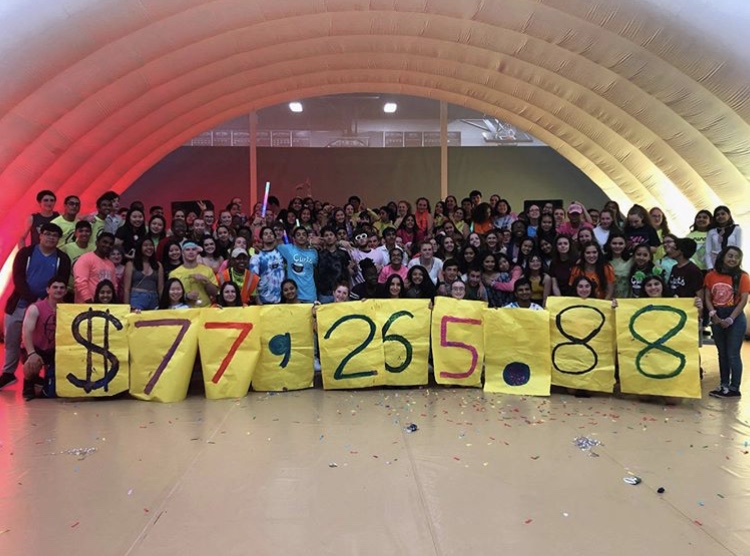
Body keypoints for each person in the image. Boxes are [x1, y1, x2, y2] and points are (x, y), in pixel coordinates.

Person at [704, 246, 749, 398]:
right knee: (722, 353)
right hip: (717, 315)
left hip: (735, 316)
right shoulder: (711, 275)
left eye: (737, 257)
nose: (733, 259)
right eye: (730, 255)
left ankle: (734, 388)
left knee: (733, 354)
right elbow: (707, 296)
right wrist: (713, 314)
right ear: (723, 256)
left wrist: (731, 318)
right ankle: (724, 385)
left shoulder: (742, 276)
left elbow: (743, 300)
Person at [20, 277, 67, 400]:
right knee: (32, 362)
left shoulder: (68, 309)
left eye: (62, 288)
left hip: (55, 350)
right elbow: (26, 332)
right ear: (48, 290)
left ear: (66, 291)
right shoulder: (35, 308)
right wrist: (31, 353)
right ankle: (28, 385)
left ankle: (44, 383)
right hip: (36, 348)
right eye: (55, 287)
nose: (59, 290)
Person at [169, 241, 219, 307]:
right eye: (187, 250)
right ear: (182, 253)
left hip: (205, 309)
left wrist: (207, 281)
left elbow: (215, 293)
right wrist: (186, 296)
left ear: (197, 252)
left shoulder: (207, 270)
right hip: (184, 309)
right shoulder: (174, 273)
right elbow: (170, 296)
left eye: (193, 249)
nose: (191, 252)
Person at [278, 226, 319, 303]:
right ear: (294, 238)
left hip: (310, 294)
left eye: (304, 235)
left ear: (307, 238)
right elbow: (273, 243)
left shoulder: (314, 252)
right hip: (293, 295)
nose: (301, 237)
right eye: (298, 235)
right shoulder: (288, 249)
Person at [73, 232, 117, 303]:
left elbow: (114, 286)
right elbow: (80, 283)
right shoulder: (85, 259)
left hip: (105, 306)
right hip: (86, 305)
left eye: (110, 244)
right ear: (97, 243)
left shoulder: (111, 264)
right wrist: (89, 301)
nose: (107, 245)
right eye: (105, 242)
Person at [123, 238, 164, 311]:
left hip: (154, 299)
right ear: (140, 247)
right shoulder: (131, 264)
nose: (149, 247)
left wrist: (163, 306)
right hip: (137, 298)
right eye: (145, 245)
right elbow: (126, 289)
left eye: (151, 245)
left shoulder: (158, 265)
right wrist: (127, 307)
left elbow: (160, 288)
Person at [249, 226, 285, 304]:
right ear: (262, 238)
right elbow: (253, 280)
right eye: (265, 234)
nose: (269, 235)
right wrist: (258, 301)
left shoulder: (282, 254)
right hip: (264, 300)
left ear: (275, 237)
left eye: (271, 233)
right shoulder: (256, 257)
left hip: (281, 299)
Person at [705, 205, 742, 270]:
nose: (720, 216)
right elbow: (708, 251)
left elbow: (738, 249)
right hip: (715, 263)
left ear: (729, 215)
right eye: (717, 215)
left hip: (731, 263)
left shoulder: (737, 229)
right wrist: (710, 267)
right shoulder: (711, 232)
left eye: (723, 214)